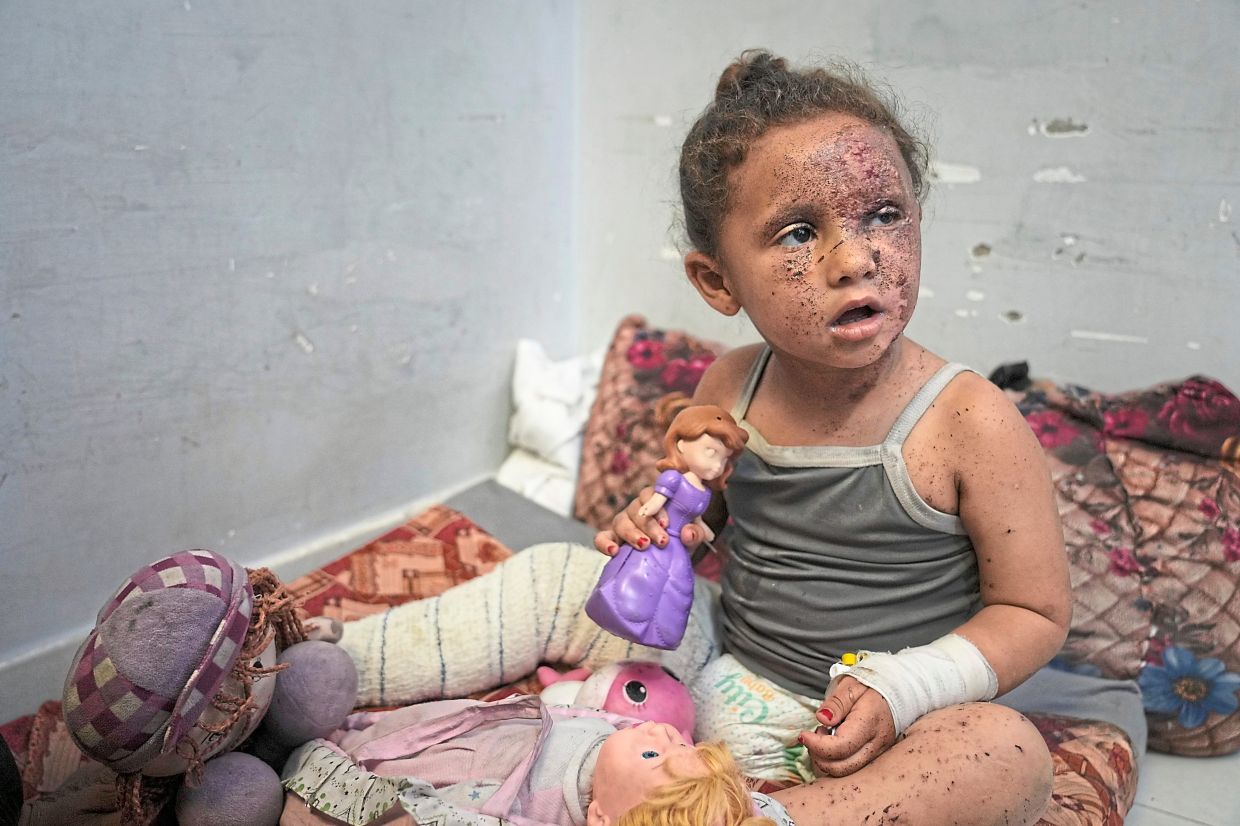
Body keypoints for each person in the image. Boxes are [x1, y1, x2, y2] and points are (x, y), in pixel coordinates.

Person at [591, 50, 1146, 826]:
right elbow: (701, 527)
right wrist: (654, 534)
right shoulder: (729, 388)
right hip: (730, 683)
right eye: (797, 232)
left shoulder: (968, 420)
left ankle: (774, 819)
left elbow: (1034, 612)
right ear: (718, 282)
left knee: (1006, 753)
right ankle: (386, 659)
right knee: (562, 576)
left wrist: (905, 687)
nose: (855, 260)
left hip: (893, 731)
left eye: (884, 214)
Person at [279, 694, 787, 826]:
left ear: (601, 817)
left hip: (373, 775)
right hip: (450, 727)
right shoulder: (616, 739)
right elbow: (766, 811)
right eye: (684, 744)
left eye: (654, 753)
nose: (662, 731)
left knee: (279, 781)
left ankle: (286, 756)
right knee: (323, 690)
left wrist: (322, 766)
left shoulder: (534, 812)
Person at [586, 405, 748, 649]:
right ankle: (621, 614)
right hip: (659, 538)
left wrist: (704, 530)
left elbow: (697, 519)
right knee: (638, 580)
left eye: (723, 459)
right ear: (681, 445)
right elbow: (657, 501)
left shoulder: (705, 493)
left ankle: (656, 633)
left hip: (676, 549)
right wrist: (646, 510)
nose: (717, 466)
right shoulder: (673, 478)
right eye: (711, 452)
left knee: (672, 590)